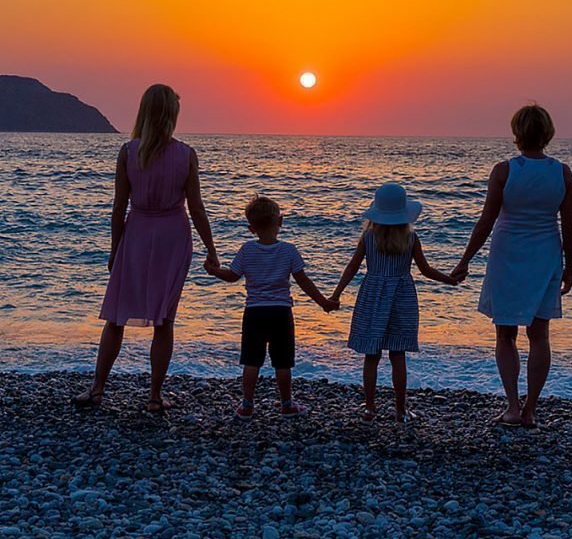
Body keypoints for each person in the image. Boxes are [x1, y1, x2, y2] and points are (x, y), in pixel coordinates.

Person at [73, 84, 219, 412]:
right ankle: (154, 396)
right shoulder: (186, 154)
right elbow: (196, 208)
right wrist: (212, 249)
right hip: (172, 236)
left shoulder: (129, 152)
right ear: (171, 115)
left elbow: (118, 206)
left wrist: (115, 249)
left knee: (115, 316)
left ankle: (98, 389)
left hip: (137, 234)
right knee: (165, 320)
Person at [451, 104, 572, 428]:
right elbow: (569, 227)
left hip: (507, 254)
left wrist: (465, 260)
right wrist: (569, 268)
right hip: (545, 254)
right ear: (547, 133)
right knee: (540, 335)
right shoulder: (561, 172)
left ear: (517, 133)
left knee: (505, 334)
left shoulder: (504, 171)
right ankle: (531, 410)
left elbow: (486, 222)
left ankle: (512, 406)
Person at [331, 182, 464, 423]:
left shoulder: (368, 237)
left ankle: (370, 408)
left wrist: (336, 293)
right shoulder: (411, 238)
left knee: (371, 355)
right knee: (397, 354)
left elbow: (352, 267)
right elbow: (425, 270)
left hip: (372, 295)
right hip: (401, 296)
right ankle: (400, 409)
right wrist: (450, 280)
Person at [204, 196, 338, 420]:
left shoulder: (247, 250)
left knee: (251, 359)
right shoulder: (288, 251)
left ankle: (247, 404)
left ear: (251, 228)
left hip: (255, 311)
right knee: (283, 361)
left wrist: (214, 270)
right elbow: (303, 281)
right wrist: (323, 302)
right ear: (281, 222)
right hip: (281, 311)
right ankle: (286, 404)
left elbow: (232, 276)